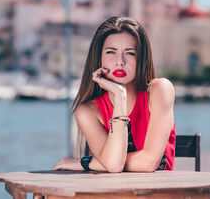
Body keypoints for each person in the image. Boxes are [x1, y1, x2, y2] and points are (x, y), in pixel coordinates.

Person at [53, 16, 176, 172]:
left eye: (130, 53)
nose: (120, 61)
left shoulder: (160, 90)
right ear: (98, 59)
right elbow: (113, 165)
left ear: (141, 59)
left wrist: (87, 163)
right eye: (111, 52)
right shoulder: (87, 111)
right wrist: (119, 96)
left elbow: (148, 162)